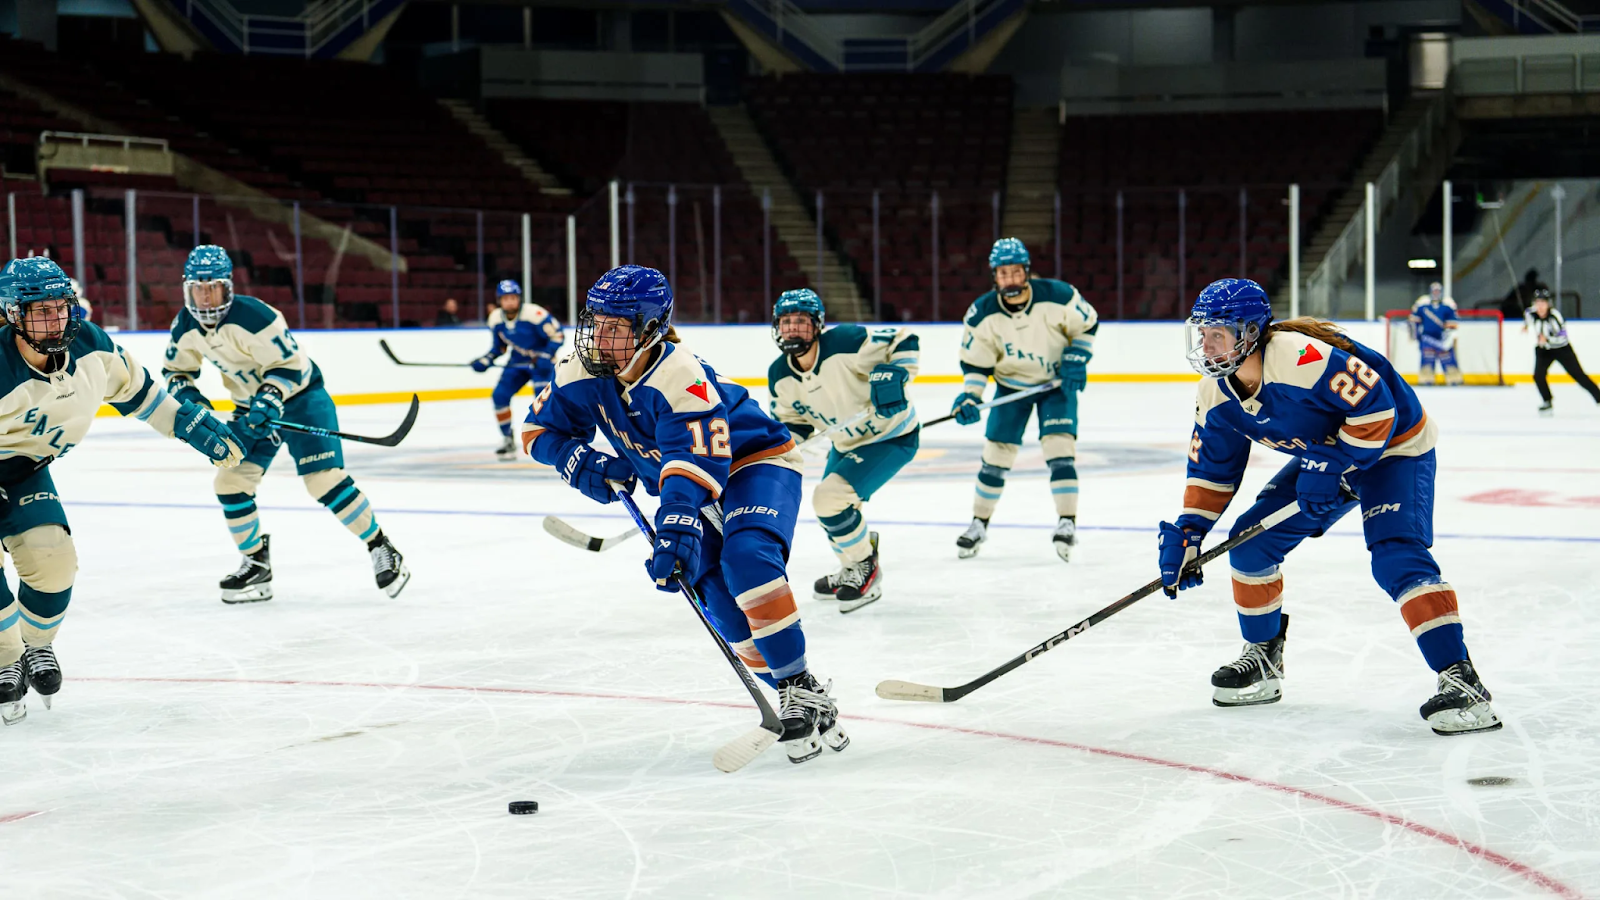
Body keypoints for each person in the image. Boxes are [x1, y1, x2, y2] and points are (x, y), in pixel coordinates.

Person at [521, 265, 848, 764]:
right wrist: (575, 460)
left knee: (748, 558)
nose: (599, 338)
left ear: (650, 329)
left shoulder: (680, 376)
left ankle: (798, 685)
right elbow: (537, 433)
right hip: (683, 483)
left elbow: (695, 463)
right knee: (713, 593)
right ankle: (794, 686)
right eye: (596, 323)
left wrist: (676, 521)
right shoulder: (578, 367)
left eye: (617, 327)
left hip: (751, 462)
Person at [1158, 278, 1500, 736]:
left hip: (1394, 448)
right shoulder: (1216, 394)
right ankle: (1263, 661)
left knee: (1396, 554)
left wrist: (1336, 461)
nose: (1206, 344)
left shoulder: (1299, 358)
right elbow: (1212, 474)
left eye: (1217, 333)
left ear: (1250, 333)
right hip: (1326, 456)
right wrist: (1190, 531)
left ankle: (1464, 682)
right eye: (1202, 333)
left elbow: (1379, 410)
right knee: (1249, 545)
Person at [0, 257, 242, 724]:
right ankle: (7, 655)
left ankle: (35, 648)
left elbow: (144, 395)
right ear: (14, 314)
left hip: (24, 471)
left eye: (61, 307)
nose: (56, 320)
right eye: (40, 310)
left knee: (54, 566)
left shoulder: (91, 347)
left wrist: (191, 425)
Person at [162, 245, 410, 604]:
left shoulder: (257, 316)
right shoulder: (185, 325)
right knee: (230, 481)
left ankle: (381, 547)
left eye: (212, 288)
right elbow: (176, 371)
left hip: (301, 400)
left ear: (227, 287)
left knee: (323, 481)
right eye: (198, 289)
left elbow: (293, 366)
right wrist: (194, 404)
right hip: (250, 409)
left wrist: (270, 397)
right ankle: (256, 563)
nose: (204, 297)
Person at [766, 288, 919, 612]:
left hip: (889, 436)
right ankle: (853, 564)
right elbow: (793, 424)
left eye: (801, 321)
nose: (792, 328)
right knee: (832, 508)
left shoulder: (847, 343)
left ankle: (866, 567)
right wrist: (775, 450)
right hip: (846, 442)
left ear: (817, 325)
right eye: (786, 321)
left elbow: (903, 338)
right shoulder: (779, 374)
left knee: (828, 500)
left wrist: (896, 376)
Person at [950, 237, 1098, 562]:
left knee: (1061, 453)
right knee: (995, 458)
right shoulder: (981, 314)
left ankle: (1066, 522)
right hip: (1010, 388)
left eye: (1016, 272)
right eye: (1003, 274)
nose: (1010, 280)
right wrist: (971, 396)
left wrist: (1077, 357)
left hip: (1055, 385)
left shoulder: (1059, 296)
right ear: (995, 277)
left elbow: (1087, 325)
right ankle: (979, 523)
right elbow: (976, 363)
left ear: (1027, 272)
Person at [472, 279, 563, 458]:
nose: (510, 302)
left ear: (519, 298)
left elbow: (557, 335)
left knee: (542, 402)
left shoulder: (534, 313)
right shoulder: (496, 318)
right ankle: (507, 438)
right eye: (505, 298)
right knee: (499, 396)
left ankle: (552, 439)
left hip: (541, 363)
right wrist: (486, 359)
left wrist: (545, 355)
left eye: (513, 298)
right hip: (518, 362)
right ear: (499, 301)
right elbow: (500, 347)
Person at [1525, 287, 1600, 414]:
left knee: (1579, 375)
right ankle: (1547, 401)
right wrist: (1526, 325)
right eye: (1537, 303)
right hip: (1544, 351)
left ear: (1548, 304)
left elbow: (1562, 338)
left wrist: (1547, 340)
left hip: (1562, 350)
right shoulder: (1531, 313)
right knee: (1538, 375)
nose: (1540, 306)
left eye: (1543, 303)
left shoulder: (1555, 317)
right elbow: (1527, 314)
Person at [1409, 281, 1462, 386]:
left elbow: (1453, 323)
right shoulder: (1423, 306)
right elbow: (1414, 320)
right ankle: (1426, 380)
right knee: (1427, 361)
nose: (1436, 293)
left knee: (1449, 361)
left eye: (1438, 291)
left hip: (1443, 340)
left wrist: (1448, 335)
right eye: (1434, 291)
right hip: (1427, 339)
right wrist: (1415, 334)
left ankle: (1454, 379)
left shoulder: (1447, 307)